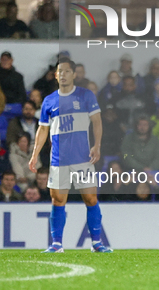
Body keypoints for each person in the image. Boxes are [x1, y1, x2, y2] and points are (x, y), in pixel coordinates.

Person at [28, 57, 112, 253]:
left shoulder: (85, 96)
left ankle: (97, 243)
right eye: (60, 71)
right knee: (58, 200)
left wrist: (97, 145)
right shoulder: (49, 101)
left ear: (74, 74)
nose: (63, 74)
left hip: (83, 158)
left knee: (91, 199)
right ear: (56, 75)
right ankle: (56, 244)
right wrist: (34, 155)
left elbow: (97, 122)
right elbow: (42, 130)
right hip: (59, 159)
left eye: (67, 71)